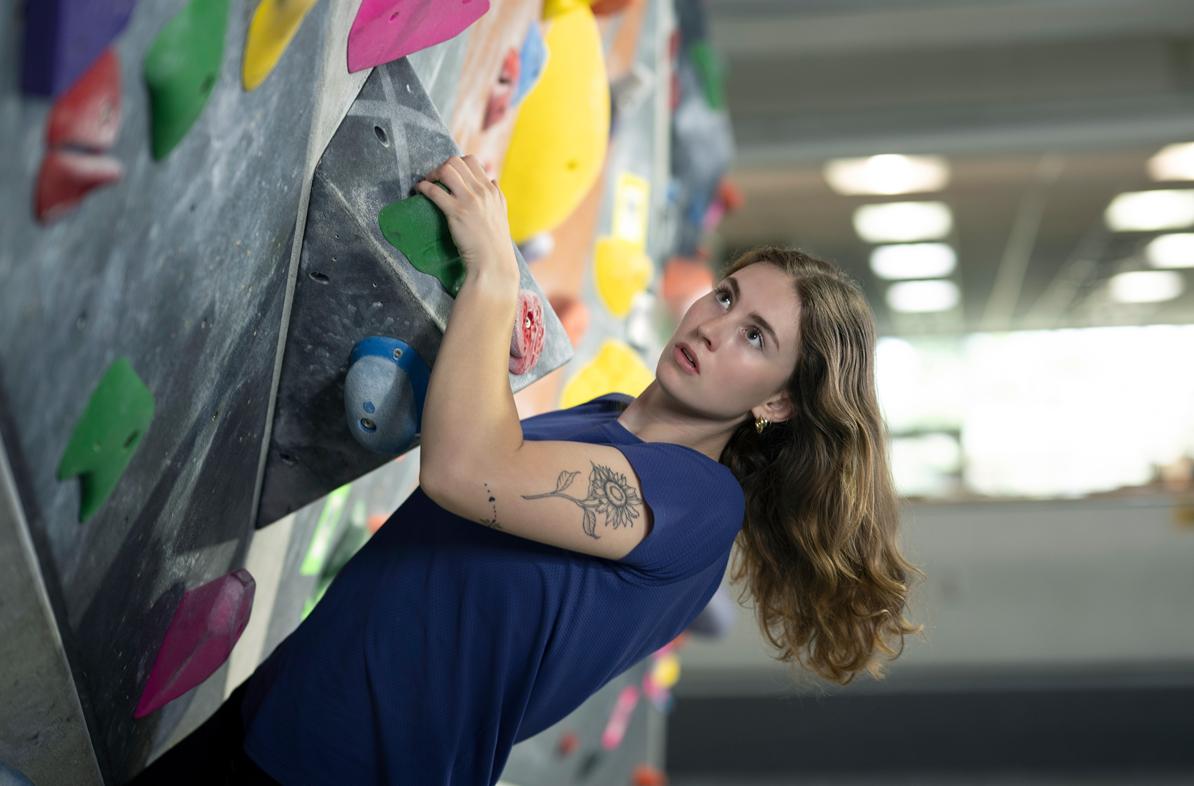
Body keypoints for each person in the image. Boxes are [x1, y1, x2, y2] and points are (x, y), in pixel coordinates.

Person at [129, 155, 923, 785]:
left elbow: (467, 470)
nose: (714, 329)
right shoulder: (609, 416)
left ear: (779, 405)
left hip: (350, 764)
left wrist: (495, 274)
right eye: (724, 297)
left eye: (756, 338)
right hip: (291, 705)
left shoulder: (699, 503)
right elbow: (484, 482)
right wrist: (485, 334)